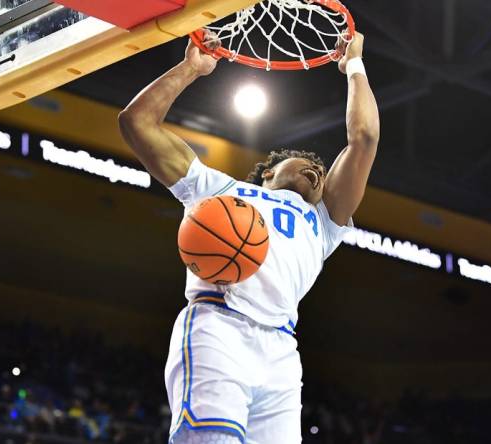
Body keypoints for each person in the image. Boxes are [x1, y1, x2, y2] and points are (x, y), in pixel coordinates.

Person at [118, 32, 379, 444]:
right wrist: (192, 69)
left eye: (321, 168)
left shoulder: (325, 220)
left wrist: (354, 67)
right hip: (219, 325)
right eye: (305, 162)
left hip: (280, 351)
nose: (317, 168)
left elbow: (363, 138)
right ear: (267, 174)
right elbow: (136, 123)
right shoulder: (221, 190)